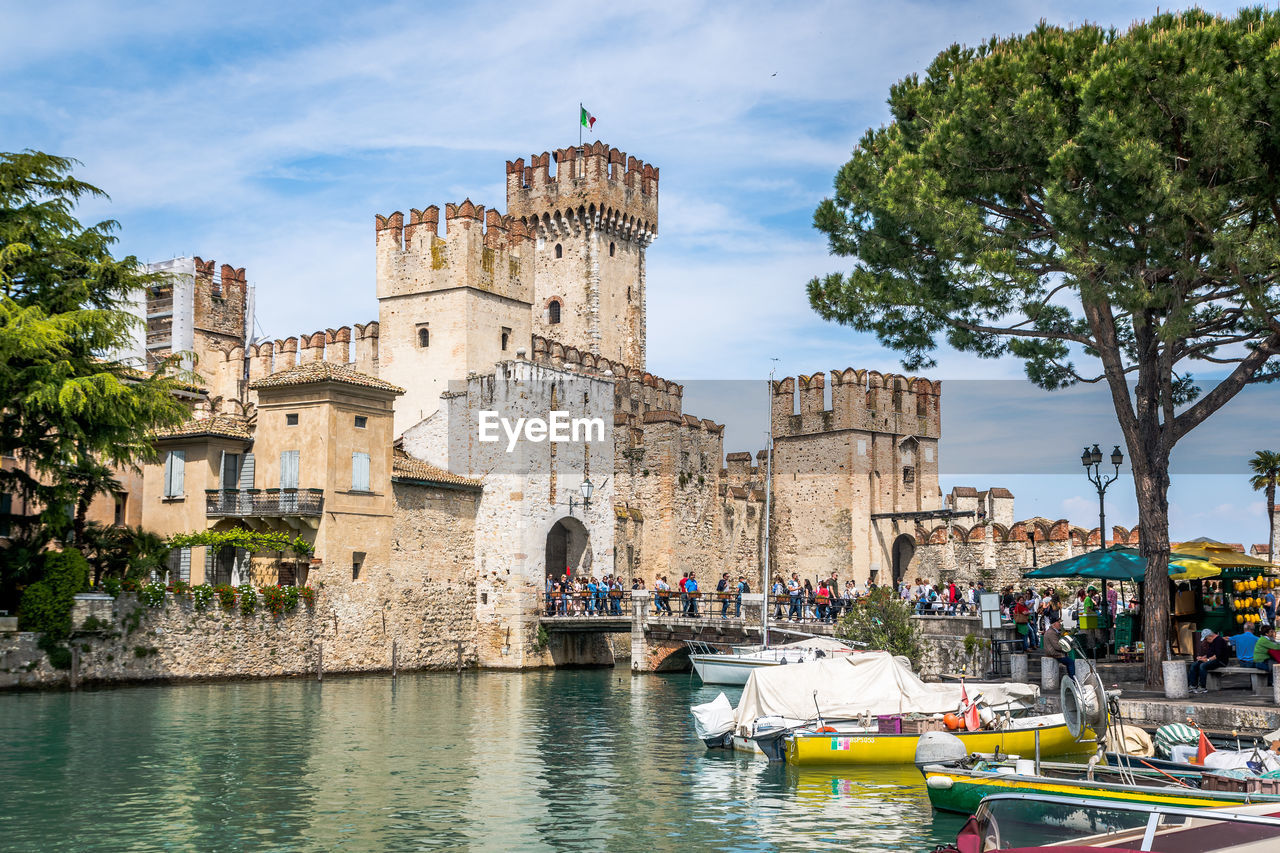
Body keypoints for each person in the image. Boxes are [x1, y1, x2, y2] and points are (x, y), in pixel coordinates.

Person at [1188, 627, 1231, 694]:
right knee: (1194, 664)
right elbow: (1209, 654)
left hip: (1221, 661)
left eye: (1206, 638)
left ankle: (1202, 687)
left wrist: (1207, 660)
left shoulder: (1219, 640)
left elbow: (1217, 656)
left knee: (1203, 666)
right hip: (1213, 659)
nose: (1206, 640)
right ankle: (1192, 685)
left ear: (1210, 636)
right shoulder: (1211, 641)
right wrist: (1202, 658)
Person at [1042, 615, 1075, 681]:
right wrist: (1066, 648)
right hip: (1054, 653)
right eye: (1059, 623)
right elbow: (1057, 646)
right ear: (1054, 624)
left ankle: (1071, 678)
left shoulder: (1054, 631)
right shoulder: (1051, 633)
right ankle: (1072, 679)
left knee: (1069, 661)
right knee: (1070, 662)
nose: (1060, 624)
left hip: (1056, 652)